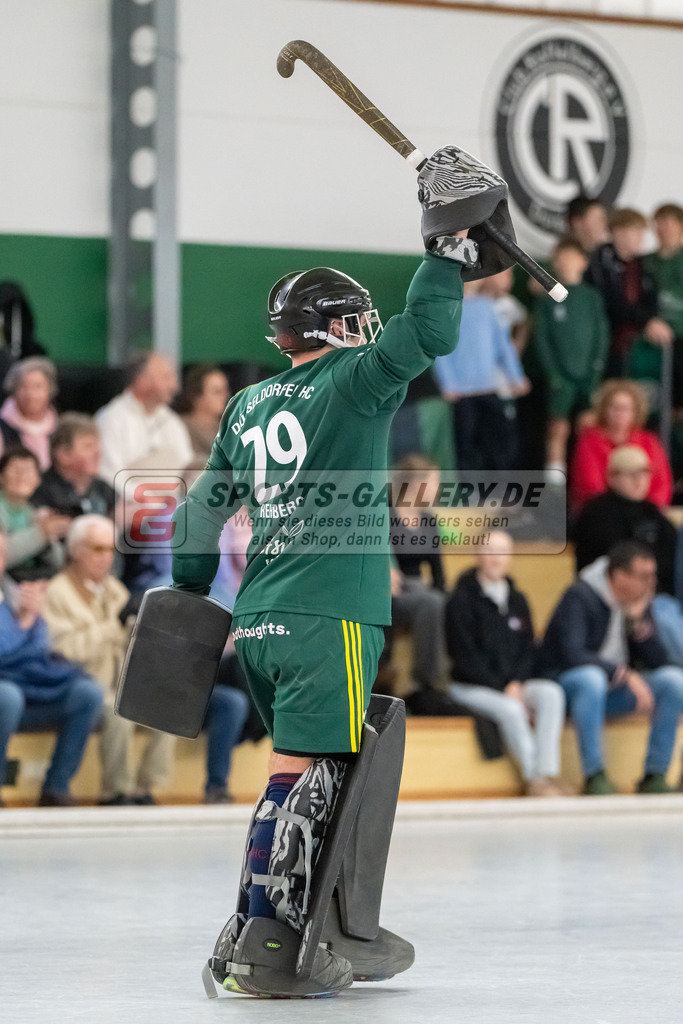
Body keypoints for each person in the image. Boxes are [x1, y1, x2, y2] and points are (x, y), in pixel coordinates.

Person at [170, 146, 499, 998]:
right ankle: (267, 944)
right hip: (330, 613)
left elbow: (200, 513)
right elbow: (428, 333)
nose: (365, 329)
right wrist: (443, 248)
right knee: (311, 777)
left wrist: (190, 591)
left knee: (293, 769)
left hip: (260, 618)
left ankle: (259, 926)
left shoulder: (245, 405)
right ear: (333, 328)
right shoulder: (354, 381)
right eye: (356, 319)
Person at [43, 515, 176, 806]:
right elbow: (63, 649)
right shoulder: (57, 591)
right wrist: (113, 626)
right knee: (118, 711)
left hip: (120, 682)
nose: (105, 557)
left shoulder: (114, 588)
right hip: (82, 685)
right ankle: (116, 792)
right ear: (75, 550)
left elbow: (133, 640)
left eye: (110, 550)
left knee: (167, 706)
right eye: (97, 549)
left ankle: (145, 789)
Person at [537, 540, 683, 795]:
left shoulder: (638, 602)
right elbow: (572, 654)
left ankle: (655, 774)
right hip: (568, 687)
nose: (650, 583)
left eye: (653, 576)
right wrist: (623, 674)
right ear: (619, 576)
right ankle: (595, 774)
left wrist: (638, 626)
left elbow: (659, 660)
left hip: (614, 689)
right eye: (643, 576)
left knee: (673, 681)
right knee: (591, 679)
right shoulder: (580, 596)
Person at [445, 531, 567, 796]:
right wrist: (503, 688)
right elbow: (465, 657)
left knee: (551, 693)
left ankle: (548, 771)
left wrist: (517, 683)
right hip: (471, 685)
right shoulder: (460, 601)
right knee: (511, 710)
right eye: (489, 551)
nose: (496, 558)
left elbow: (528, 649)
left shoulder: (517, 599)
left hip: (512, 685)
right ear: (477, 555)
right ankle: (534, 779)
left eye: (502, 552)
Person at [0, 531, 103, 807]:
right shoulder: (19, 608)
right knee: (7, 696)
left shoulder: (14, 596)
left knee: (87, 693)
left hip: (32, 691)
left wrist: (29, 621)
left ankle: (56, 787)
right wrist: (25, 623)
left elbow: (40, 648)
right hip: (9, 696)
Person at [433, 277, 530, 470]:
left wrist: (516, 377)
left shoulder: (488, 307)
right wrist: (448, 383)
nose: (470, 281)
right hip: (461, 393)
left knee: (497, 445)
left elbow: (503, 345)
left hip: (489, 388)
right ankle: (466, 488)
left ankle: (499, 487)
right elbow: (439, 350)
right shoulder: (444, 309)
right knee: (464, 446)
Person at [533, 237, 609, 481]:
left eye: (571, 258)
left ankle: (587, 477)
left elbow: (601, 336)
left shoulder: (592, 297)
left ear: (583, 262)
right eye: (560, 259)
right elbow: (542, 340)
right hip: (560, 377)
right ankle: (555, 480)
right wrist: (553, 373)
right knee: (557, 428)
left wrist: (595, 370)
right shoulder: (547, 300)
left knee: (589, 426)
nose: (565, 263)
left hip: (588, 374)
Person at [388, 454, 457, 715]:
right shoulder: (386, 515)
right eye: (434, 482)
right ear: (417, 484)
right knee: (430, 601)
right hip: (391, 591)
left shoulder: (428, 520)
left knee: (445, 602)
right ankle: (427, 681)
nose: (438, 489)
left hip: (419, 590)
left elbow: (438, 573)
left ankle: (459, 678)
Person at [573, 446, 677, 592]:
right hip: (606, 593)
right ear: (612, 477)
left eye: (644, 474)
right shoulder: (597, 513)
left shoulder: (653, 513)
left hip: (655, 593)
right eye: (631, 474)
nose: (639, 480)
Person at [586, 208, 671, 378]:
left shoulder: (643, 264)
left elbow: (652, 298)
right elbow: (610, 303)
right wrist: (646, 321)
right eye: (635, 232)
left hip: (636, 342)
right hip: (606, 343)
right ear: (618, 232)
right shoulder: (600, 261)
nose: (641, 238)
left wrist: (651, 321)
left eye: (642, 232)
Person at [569, 379, 672, 513]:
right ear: (604, 410)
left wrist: (649, 511)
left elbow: (661, 483)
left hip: (646, 512)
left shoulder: (649, 441)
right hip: (602, 513)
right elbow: (590, 485)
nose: (620, 414)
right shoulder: (589, 441)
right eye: (615, 408)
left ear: (635, 411)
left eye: (626, 409)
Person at [95, 351, 194, 488]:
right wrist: (148, 499)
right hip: (131, 500)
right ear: (142, 380)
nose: (174, 386)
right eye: (166, 378)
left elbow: (187, 467)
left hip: (178, 499)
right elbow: (110, 475)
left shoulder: (171, 420)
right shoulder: (112, 419)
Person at [0, 447, 69, 581]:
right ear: (1, 476)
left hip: (33, 580)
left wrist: (49, 538)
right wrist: (40, 533)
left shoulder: (33, 513)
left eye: (28, 471)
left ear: (38, 480)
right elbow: (3, 555)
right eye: (16, 470)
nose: (22, 476)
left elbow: (58, 562)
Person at [31, 413, 116, 520]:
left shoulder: (103, 489)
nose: (97, 453)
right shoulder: (40, 489)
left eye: (97, 446)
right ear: (64, 455)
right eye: (88, 446)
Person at [0, 357, 59, 470]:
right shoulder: (2, 427)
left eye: (38, 387)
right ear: (14, 390)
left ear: (50, 390)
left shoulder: (58, 427)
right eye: (24, 387)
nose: (31, 395)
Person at [175, 364, 231, 462]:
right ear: (196, 396)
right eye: (217, 392)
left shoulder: (229, 429)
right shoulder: (179, 426)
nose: (225, 396)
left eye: (225, 391)